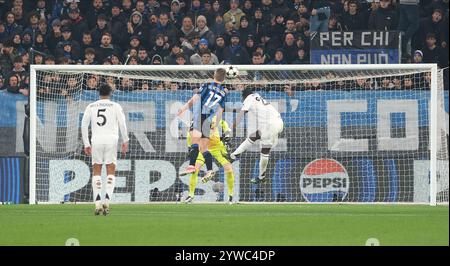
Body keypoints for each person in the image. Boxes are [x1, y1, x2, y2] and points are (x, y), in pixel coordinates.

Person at [81, 84, 129, 216]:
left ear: (98, 93)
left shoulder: (91, 106)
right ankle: (106, 200)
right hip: (111, 140)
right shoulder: (115, 106)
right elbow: (122, 124)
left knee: (96, 170)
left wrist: (86, 143)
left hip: (96, 140)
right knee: (110, 169)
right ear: (110, 93)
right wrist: (125, 140)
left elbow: (84, 125)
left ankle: (97, 203)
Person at [177, 68, 228, 182]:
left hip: (200, 115)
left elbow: (195, 98)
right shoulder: (224, 92)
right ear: (224, 78)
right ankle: (209, 170)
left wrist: (184, 108)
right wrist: (216, 124)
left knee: (194, 141)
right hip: (209, 120)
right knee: (204, 147)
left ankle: (191, 166)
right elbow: (220, 110)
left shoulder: (208, 84)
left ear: (214, 74)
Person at [231, 87, 284, 184]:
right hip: (278, 122)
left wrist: (232, 127)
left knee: (265, 151)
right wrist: (229, 110)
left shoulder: (248, 99)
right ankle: (235, 154)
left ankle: (261, 177)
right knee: (254, 136)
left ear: (244, 96)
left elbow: (241, 113)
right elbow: (243, 109)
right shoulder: (256, 96)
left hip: (270, 125)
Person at [183, 115, 235, 204]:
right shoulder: (197, 119)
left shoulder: (215, 117)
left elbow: (224, 123)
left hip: (217, 148)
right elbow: (189, 133)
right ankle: (190, 195)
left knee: (229, 170)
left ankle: (230, 196)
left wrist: (227, 137)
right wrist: (189, 147)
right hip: (203, 148)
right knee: (194, 170)